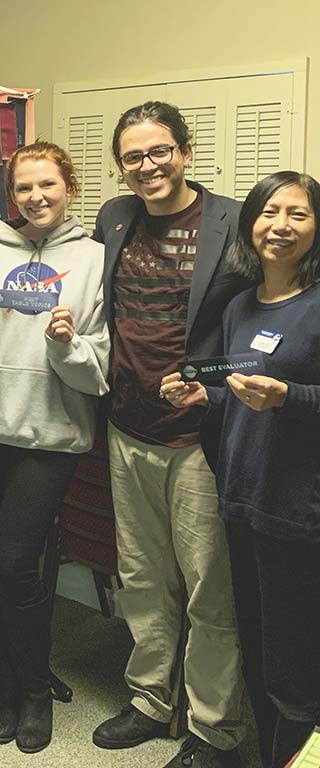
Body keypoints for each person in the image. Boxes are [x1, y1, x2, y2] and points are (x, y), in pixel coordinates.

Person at [0, 140, 110, 753]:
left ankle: (35, 689)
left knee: (15, 563)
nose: (36, 197)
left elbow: (99, 371)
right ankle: (6, 683)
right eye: (24, 187)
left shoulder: (94, 259)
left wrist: (65, 344)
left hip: (52, 434)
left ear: (70, 187)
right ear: (12, 194)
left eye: (47, 185)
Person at [90, 101, 252, 768]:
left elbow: (269, 317)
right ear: (120, 166)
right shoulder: (114, 217)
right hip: (128, 428)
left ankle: (214, 729)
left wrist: (218, 386)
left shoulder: (235, 220)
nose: (148, 165)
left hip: (199, 437)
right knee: (141, 576)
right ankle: (151, 699)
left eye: (160, 151)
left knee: (210, 590)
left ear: (185, 151)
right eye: (133, 156)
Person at [160, 171, 320, 768]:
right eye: (269, 212)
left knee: (295, 664)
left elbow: (284, 398)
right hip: (242, 498)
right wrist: (205, 396)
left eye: (298, 214)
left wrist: (289, 398)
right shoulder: (240, 307)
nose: (280, 226)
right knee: (255, 647)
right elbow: (238, 395)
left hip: (298, 511)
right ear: (250, 223)